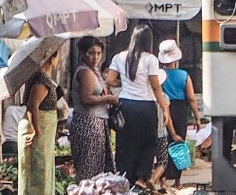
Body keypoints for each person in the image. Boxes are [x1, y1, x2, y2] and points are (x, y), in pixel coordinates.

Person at [110, 27, 171, 186]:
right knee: (148, 143)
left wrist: (124, 83)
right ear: (148, 40)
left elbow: (109, 80)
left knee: (126, 143)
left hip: (125, 105)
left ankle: (125, 178)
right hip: (146, 106)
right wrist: (164, 108)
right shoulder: (151, 59)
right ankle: (141, 177)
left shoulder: (119, 57)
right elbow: (156, 87)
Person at [16, 61, 61, 195]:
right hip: (36, 128)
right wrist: (36, 131)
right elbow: (32, 106)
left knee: (43, 171)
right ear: (51, 57)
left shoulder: (42, 76)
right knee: (36, 172)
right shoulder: (41, 78)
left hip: (42, 130)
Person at [68, 38, 114, 180]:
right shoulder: (85, 72)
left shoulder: (94, 71)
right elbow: (86, 99)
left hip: (98, 122)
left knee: (98, 167)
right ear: (82, 53)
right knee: (89, 167)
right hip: (88, 123)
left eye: (99, 53)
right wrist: (107, 99)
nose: (96, 57)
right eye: (91, 53)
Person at [154, 41, 199, 185]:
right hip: (179, 110)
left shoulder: (158, 75)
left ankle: (163, 179)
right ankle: (178, 181)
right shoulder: (183, 75)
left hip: (162, 109)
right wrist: (197, 118)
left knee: (163, 143)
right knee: (179, 144)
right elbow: (191, 99)